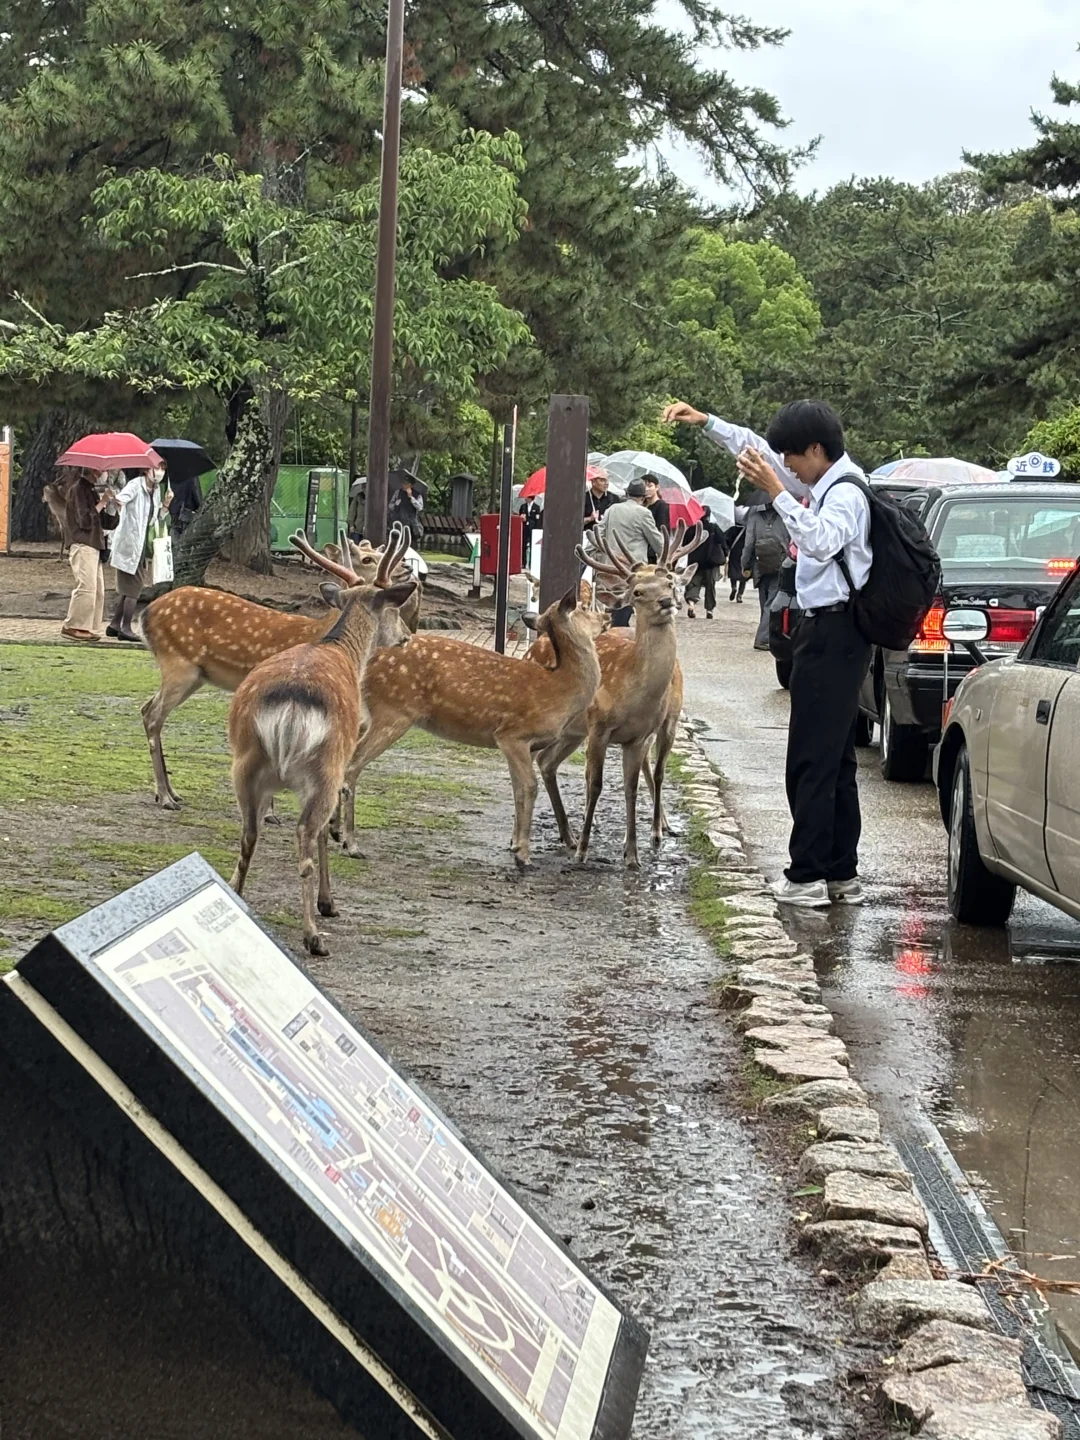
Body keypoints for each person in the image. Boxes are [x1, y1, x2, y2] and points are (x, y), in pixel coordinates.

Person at [664, 397, 872, 910]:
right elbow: (760, 452)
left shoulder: (845, 494)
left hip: (836, 632)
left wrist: (780, 495)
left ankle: (805, 877)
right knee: (836, 759)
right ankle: (841, 873)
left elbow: (821, 543)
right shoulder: (827, 480)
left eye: (794, 459)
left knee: (811, 759)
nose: (788, 469)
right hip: (830, 630)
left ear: (817, 450)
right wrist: (708, 423)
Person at [108, 466, 169, 642]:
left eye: (162, 469)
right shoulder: (135, 485)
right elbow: (121, 500)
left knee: (129, 588)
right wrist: (117, 502)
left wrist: (165, 505)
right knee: (133, 588)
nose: (159, 472)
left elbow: (155, 518)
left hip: (142, 546)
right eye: (156, 468)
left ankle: (115, 624)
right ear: (146, 470)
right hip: (130, 544)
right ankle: (126, 627)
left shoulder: (156, 491)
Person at [594, 478, 663, 626]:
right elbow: (657, 542)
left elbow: (598, 534)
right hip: (633, 568)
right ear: (643, 497)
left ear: (627, 493)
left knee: (615, 601)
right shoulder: (644, 513)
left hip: (611, 565)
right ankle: (617, 633)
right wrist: (665, 556)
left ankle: (614, 632)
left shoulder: (612, 509)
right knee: (628, 601)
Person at [59, 469, 118, 641]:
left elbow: (106, 522)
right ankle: (73, 625)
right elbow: (84, 520)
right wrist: (101, 503)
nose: (105, 473)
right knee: (86, 586)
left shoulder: (91, 490)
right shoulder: (77, 489)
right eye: (104, 470)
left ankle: (88, 626)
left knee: (97, 590)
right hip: (82, 543)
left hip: (94, 544)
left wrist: (112, 506)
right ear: (94, 470)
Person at [742, 497, 791, 649]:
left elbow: (748, 544)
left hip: (759, 565)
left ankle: (766, 635)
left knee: (765, 603)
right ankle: (763, 638)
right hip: (780, 564)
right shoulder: (785, 516)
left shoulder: (754, 517)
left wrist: (745, 565)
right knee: (772, 602)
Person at [684, 506, 727, 618]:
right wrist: (725, 555)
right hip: (711, 562)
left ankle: (691, 604)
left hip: (695, 562)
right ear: (709, 515)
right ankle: (709, 609)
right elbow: (723, 542)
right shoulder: (713, 528)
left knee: (693, 583)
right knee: (710, 585)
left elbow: (684, 544)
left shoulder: (692, 529)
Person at [167, 469, 203, 537]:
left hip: (174, 513)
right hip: (186, 512)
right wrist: (200, 507)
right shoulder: (191, 473)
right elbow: (196, 492)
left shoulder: (170, 474)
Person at [388, 478, 424, 546]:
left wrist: (411, 498)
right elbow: (390, 506)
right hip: (398, 521)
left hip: (411, 524)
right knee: (398, 542)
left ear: (411, 485)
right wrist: (396, 504)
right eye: (403, 483)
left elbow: (420, 508)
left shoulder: (417, 495)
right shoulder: (398, 492)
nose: (403, 485)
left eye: (406, 484)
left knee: (411, 543)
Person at [642, 475, 669, 562]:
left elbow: (662, 529)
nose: (646, 489)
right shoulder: (643, 506)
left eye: (650, 486)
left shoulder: (661, 505)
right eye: (644, 486)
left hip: (652, 552)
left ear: (657, 487)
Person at [725, 523, 747, 602]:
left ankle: (733, 587)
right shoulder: (748, 529)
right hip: (745, 552)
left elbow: (727, 540)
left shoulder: (733, 528)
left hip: (735, 552)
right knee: (744, 574)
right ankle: (740, 595)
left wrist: (727, 550)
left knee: (733, 571)